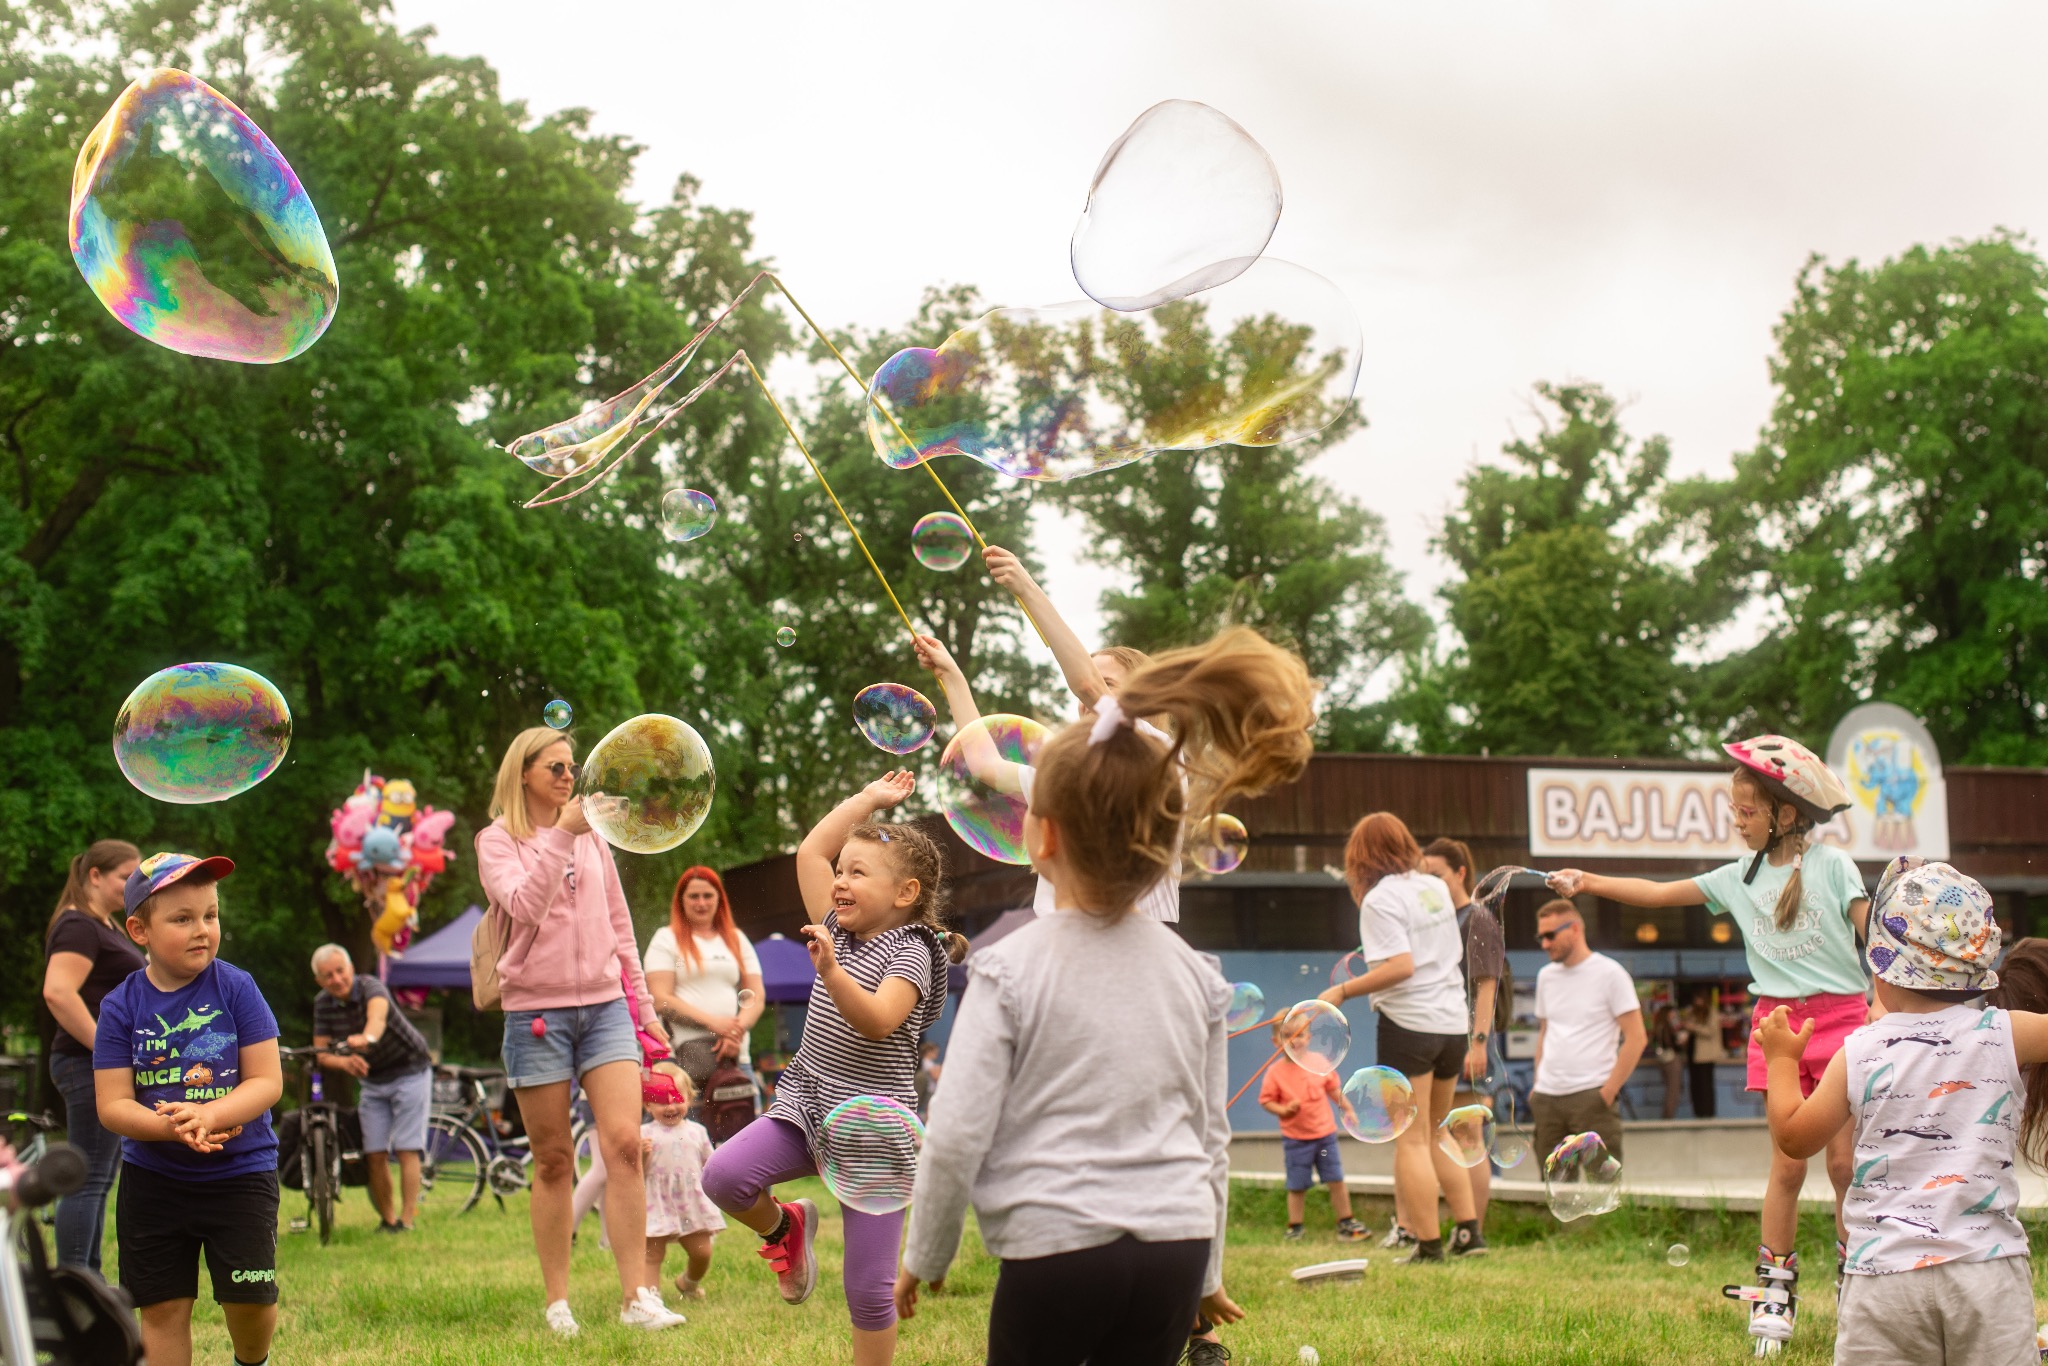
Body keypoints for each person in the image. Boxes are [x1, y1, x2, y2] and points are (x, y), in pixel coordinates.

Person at [898, 626, 1311, 1366]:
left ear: (1043, 839)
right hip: (1175, 1253)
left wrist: (925, 1254)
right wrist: (1207, 1274)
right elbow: (1209, 1140)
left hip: (1057, 1249)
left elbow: (957, 1133)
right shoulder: (1199, 977)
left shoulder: (1007, 968)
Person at [1547, 734, 1863, 1351]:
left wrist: (1892, 993)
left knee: (1847, 1164)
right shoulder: (1735, 879)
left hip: (1845, 1023)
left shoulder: (1833, 867)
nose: (1735, 819)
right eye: (1734, 808)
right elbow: (1660, 893)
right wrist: (1587, 879)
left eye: (1747, 810)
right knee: (1788, 1169)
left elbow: (1874, 930)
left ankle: (1860, 1284)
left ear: (1787, 815)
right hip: (1777, 1030)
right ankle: (1775, 1293)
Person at [700, 771, 960, 1366]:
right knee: (723, 1178)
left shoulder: (912, 951)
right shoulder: (837, 926)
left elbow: (878, 1021)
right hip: (808, 1105)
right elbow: (811, 850)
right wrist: (866, 801)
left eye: (857, 873)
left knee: (867, 1292)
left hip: (874, 1132)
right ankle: (785, 1228)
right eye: (841, 872)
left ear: (905, 893)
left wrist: (833, 974)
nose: (839, 881)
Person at [1757, 859, 2035, 1365]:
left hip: (1884, 1278)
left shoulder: (1860, 1050)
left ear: (1881, 968)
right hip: (1986, 1272)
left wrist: (1780, 1061)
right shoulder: (2003, 1032)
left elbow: (1794, 1138)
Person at [476, 726, 682, 1335]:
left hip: (604, 1009)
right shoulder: (498, 840)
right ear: (524, 776)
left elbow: (620, 929)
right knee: (554, 1160)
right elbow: (523, 906)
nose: (570, 778)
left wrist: (644, 1011)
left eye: (572, 768)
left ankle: (635, 1297)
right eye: (556, 768)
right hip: (534, 1015)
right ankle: (557, 1302)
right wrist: (563, 833)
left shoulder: (595, 842)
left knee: (623, 1146)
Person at [92, 852, 283, 1366]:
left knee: (250, 1300)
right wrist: (172, 1127)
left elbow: (267, 1080)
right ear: (139, 929)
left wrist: (211, 1116)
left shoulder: (236, 986)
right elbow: (112, 1106)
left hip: (241, 1174)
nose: (202, 930)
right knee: (160, 1309)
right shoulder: (119, 1005)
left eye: (211, 915)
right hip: (153, 1180)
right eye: (182, 919)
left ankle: (252, 1361)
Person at [1318, 812, 1481, 1263]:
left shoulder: (1380, 899)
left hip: (1410, 1024)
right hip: (1452, 1024)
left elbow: (1400, 967)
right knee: (1438, 1132)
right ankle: (1469, 1232)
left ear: (1361, 857)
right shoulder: (1432, 886)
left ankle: (1428, 1245)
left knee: (1410, 1139)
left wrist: (1343, 990)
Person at [39, 838, 140, 1272]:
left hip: (98, 1066)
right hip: (85, 1065)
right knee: (87, 1179)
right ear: (94, 876)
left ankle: (88, 1282)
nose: (133, 886)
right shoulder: (79, 925)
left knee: (97, 1180)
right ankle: (77, 1285)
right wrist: (106, 1051)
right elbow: (58, 992)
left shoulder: (106, 924)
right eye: (126, 877)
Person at [310, 943, 433, 1232]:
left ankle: (407, 1220)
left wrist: (366, 1038)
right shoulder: (322, 1004)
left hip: (410, 1069)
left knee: (406, 1148)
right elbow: (321, 1052)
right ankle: (388, 1220)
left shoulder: (371, 987)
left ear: (351, 969)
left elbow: (376, 1020)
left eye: (340, 971)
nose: (336, 979)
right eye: (328, 976)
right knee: (374, 1152)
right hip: (373, 1079)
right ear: (320, 981)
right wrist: (344, 1063)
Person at [1419, 835, 1505, 1231]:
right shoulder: (1440, 920)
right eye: (1424, 875)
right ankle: (1457, 1226)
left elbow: (1488, 983)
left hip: (1470, 1040)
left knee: (1468, 1136)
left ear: (1460, 873)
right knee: (1443, 1134)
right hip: (1444, 1036)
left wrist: (1479, 1042)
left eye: (1436, 874)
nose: (1429, 882)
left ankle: (1473, 1230)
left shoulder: (1478, 917)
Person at [1527, 900, 1645, 1164]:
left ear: (1575, 929)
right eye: (1540, 937)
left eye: (1550, 935)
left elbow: (1637, 1038)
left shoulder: (1611, 973)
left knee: (1601, 1190)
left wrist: (1608, 1091)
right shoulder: (1546, 976)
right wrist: (1537, 1085)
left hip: (1591, 1094)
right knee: (1554, 1190)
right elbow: (1545, 1033)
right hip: (1547, 1097)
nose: (1544, 944)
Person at [644, 865, 765, 1090]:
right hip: (683, 1057)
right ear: (681, 900)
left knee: (744, 1124)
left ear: (719, 899)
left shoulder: (737, 940)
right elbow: (660, 998)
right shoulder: (666, 939)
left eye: (708, 896)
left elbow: (756, 995)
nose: (701, 903)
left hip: (735, 1055)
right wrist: (713, 1024)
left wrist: (734, 1033)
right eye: (693, 896)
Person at [1259, 1016, 1368, 1242]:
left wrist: (1348, 1109)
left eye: (1299, 1034)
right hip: (1296, 1140)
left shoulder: (1318, 1062)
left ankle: (1346, 1222)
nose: (1294, 1040)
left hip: (1325, 1137)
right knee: (1297, 1184)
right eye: (1287, 1035)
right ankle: (1295, 1226)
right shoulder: (1275, 1073)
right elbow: (1266, 1100)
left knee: (1336, 1178)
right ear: (1275, 1042)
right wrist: (1283, 1109)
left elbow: (1334, 1090)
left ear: (1308, 1037)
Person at [639, 1062, 723, 1303]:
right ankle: (651, 1299)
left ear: (689, 1099)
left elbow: (710, 1164)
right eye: (662, 1100)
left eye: (677, 1098)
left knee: (703, 1252)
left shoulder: (697, 1131)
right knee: (652, 1254)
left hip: (690, 1202)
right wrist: (642, 1155)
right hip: (657, 1203)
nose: (671, 1106)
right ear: (648, 1104)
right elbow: (638, 1174)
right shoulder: (644, 1133)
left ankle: (689, 1282)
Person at [1676, 989, 1725, 1119]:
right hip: (1693, 1053)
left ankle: (1708, 1112)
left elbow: (1710, 1031)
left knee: (1706, 1085)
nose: (1697, 1002)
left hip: (1706, 1054)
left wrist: (1693, 1027)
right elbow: (1687, 1028)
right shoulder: (1692, 1012)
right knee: (1695, 1085)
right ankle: (1698, 1112)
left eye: (1699, 999)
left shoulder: (1712, 1012)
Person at [1650, 1005, 1685, 1120]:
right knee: (1673, 1090)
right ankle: (1668, 1117)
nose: (1674, 1015)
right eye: (1672, 1012)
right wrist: (1680, 1042)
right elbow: (1669, 1043)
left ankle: (1667, 1115)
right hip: (1671, 1059)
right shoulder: (1666, 1026)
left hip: (1663, 1060)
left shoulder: (1658, 1026)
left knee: (1670, 1088)